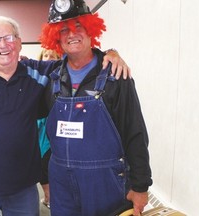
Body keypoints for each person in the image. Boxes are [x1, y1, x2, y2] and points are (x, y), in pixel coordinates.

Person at [0, 16, 130, 216]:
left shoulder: (39, 73)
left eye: (9, 38)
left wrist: (110, 53)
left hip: (23, 188)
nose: (3, 45)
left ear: (19, 43)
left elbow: (79, 58)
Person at [39, 1, 153, 216]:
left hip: (105, 182)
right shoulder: (52, 77)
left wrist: (141, 186)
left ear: (91, 29)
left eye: (79, 26)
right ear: (55, 37)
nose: (72, 34)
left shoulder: (116, 75)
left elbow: (135, 132)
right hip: (61, 182)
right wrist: (44, 177)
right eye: (63, 30)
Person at [37, 48, 61, 209]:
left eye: (53, 56)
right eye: (45, 55)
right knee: (41, 166)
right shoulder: (36, 75)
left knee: (49, 166)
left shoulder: (62, 76)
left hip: (55, 127)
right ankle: (48, 197)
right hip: (38, 127)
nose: (48, 58)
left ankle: (51, 198)